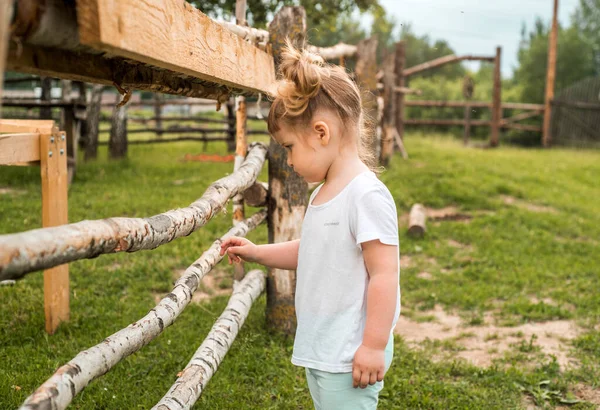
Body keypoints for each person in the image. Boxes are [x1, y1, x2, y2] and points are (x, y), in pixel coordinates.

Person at [219, 41, 401, 410]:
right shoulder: (324, 192)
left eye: (288, 147)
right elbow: (312, 251)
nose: (287, 159)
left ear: (321, 133)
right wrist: (256, 252)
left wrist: (373, 346)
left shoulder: (365, 195)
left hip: (351, 354)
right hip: (323, 348)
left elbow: (385, 275)